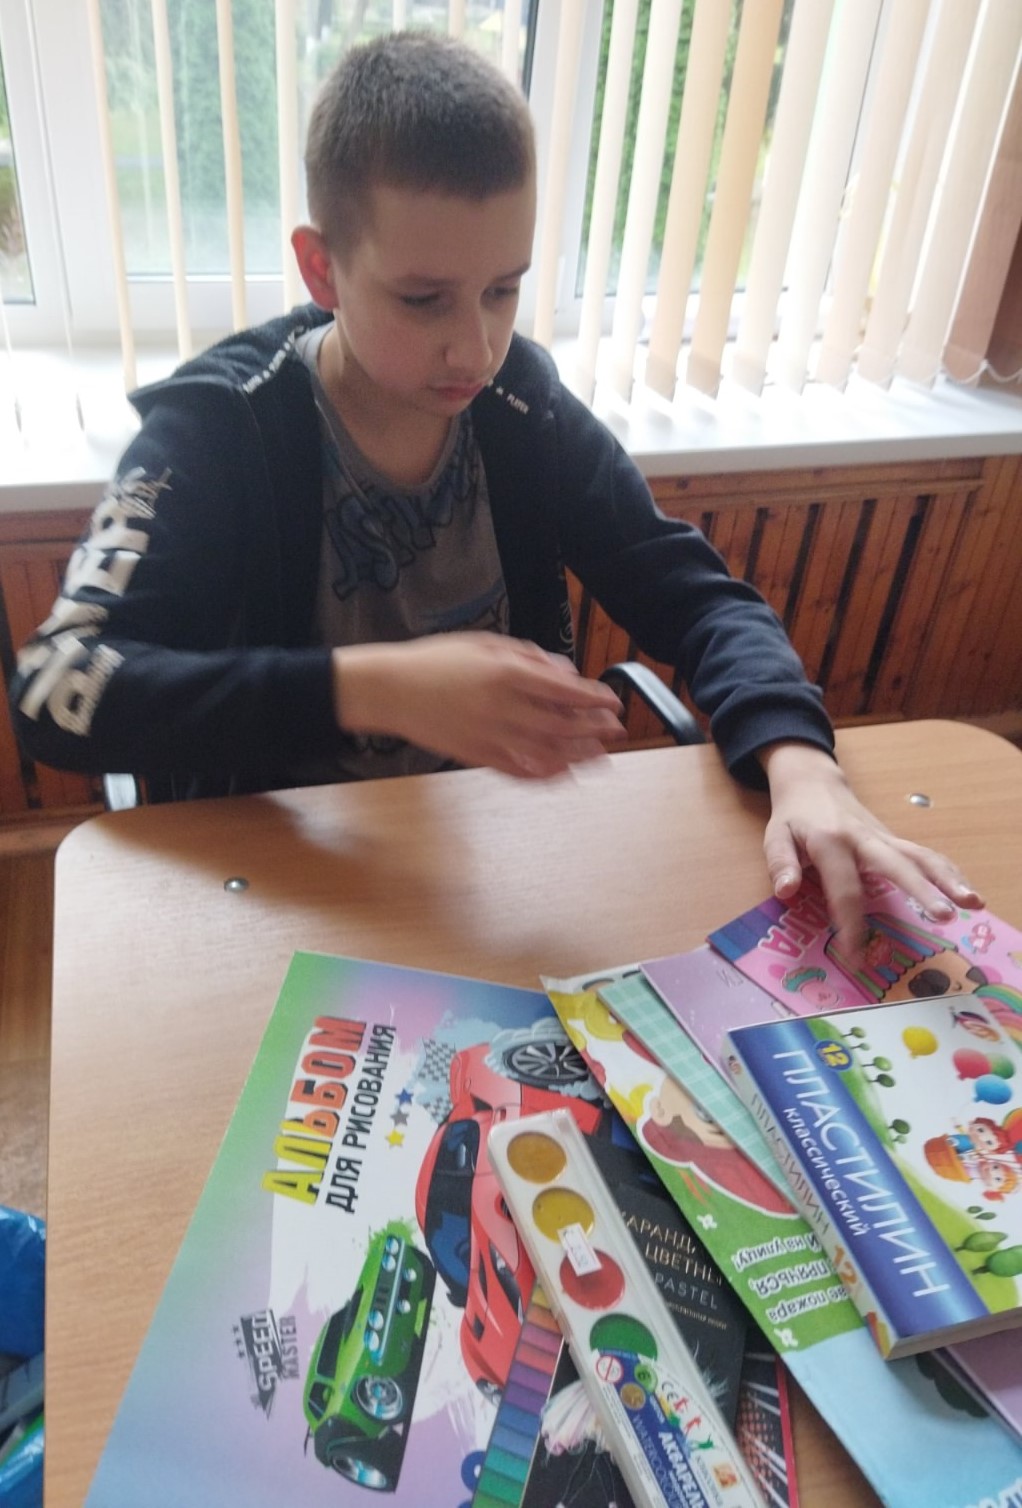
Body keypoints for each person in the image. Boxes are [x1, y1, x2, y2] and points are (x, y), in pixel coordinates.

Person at [8, 30, 980, 951]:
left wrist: (799, 761)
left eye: (503, 288)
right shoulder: (221, 431)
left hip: (495, 860)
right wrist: (373, 687)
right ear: (322, 268)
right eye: (422, 299)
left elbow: (695, 594)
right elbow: (54, 689)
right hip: (275, 878)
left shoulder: (519, 406)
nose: (474, 348)